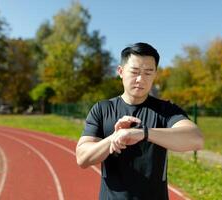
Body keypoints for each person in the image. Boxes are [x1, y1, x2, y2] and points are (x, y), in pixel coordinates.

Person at [76, 42, 204, 200]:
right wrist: (115, 137)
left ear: (155, 74)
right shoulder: (102, 109)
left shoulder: (165, 110)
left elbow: (196, 140)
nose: (140, 79)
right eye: (135, 71)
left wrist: (143, 133)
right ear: (121, 72)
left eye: (148, 72)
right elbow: (82, 158)